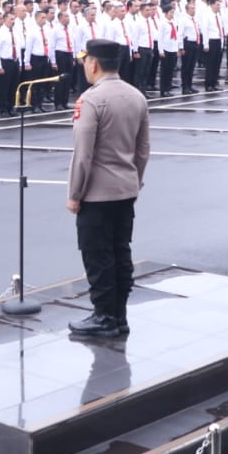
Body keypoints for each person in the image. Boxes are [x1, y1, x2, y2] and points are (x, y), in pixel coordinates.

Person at [66, 39, 151, 338]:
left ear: (94, 63)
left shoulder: (91, 100)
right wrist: (134, 180)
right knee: (120, 252)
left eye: (85, 60)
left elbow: (83, 154)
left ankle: (104, 316)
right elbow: (143, 149)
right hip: (126, 190)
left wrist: (75, 194)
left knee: (97, 255)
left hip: (97, 194)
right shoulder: (136, 96)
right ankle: (119, 315)